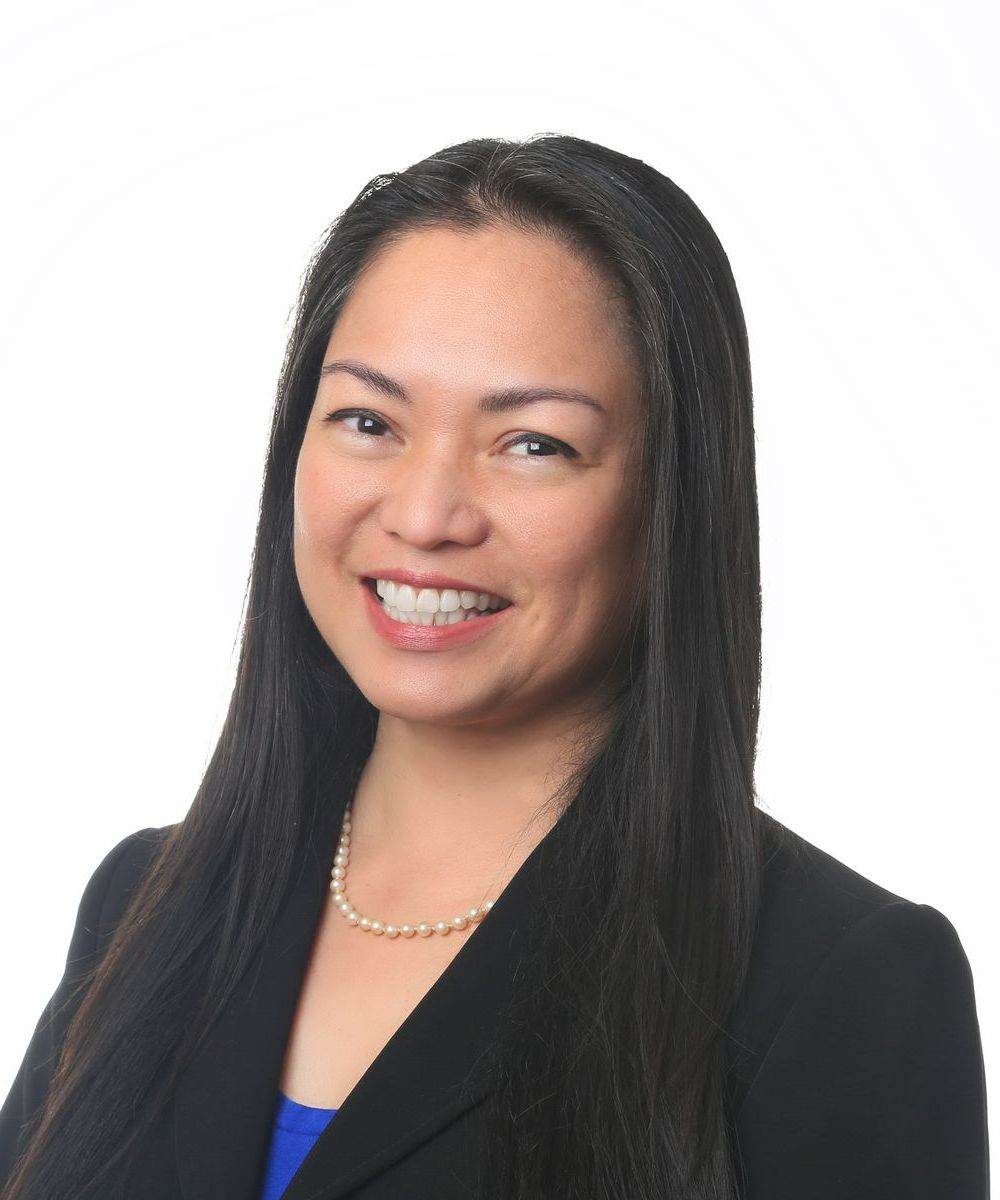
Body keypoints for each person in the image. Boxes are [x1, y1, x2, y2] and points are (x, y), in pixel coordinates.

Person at [0, 134, 988, 1200]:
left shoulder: (835, 981)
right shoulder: (144, 905)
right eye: (368, 421)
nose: (425, 516)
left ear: (671, 498)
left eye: (533, 444)